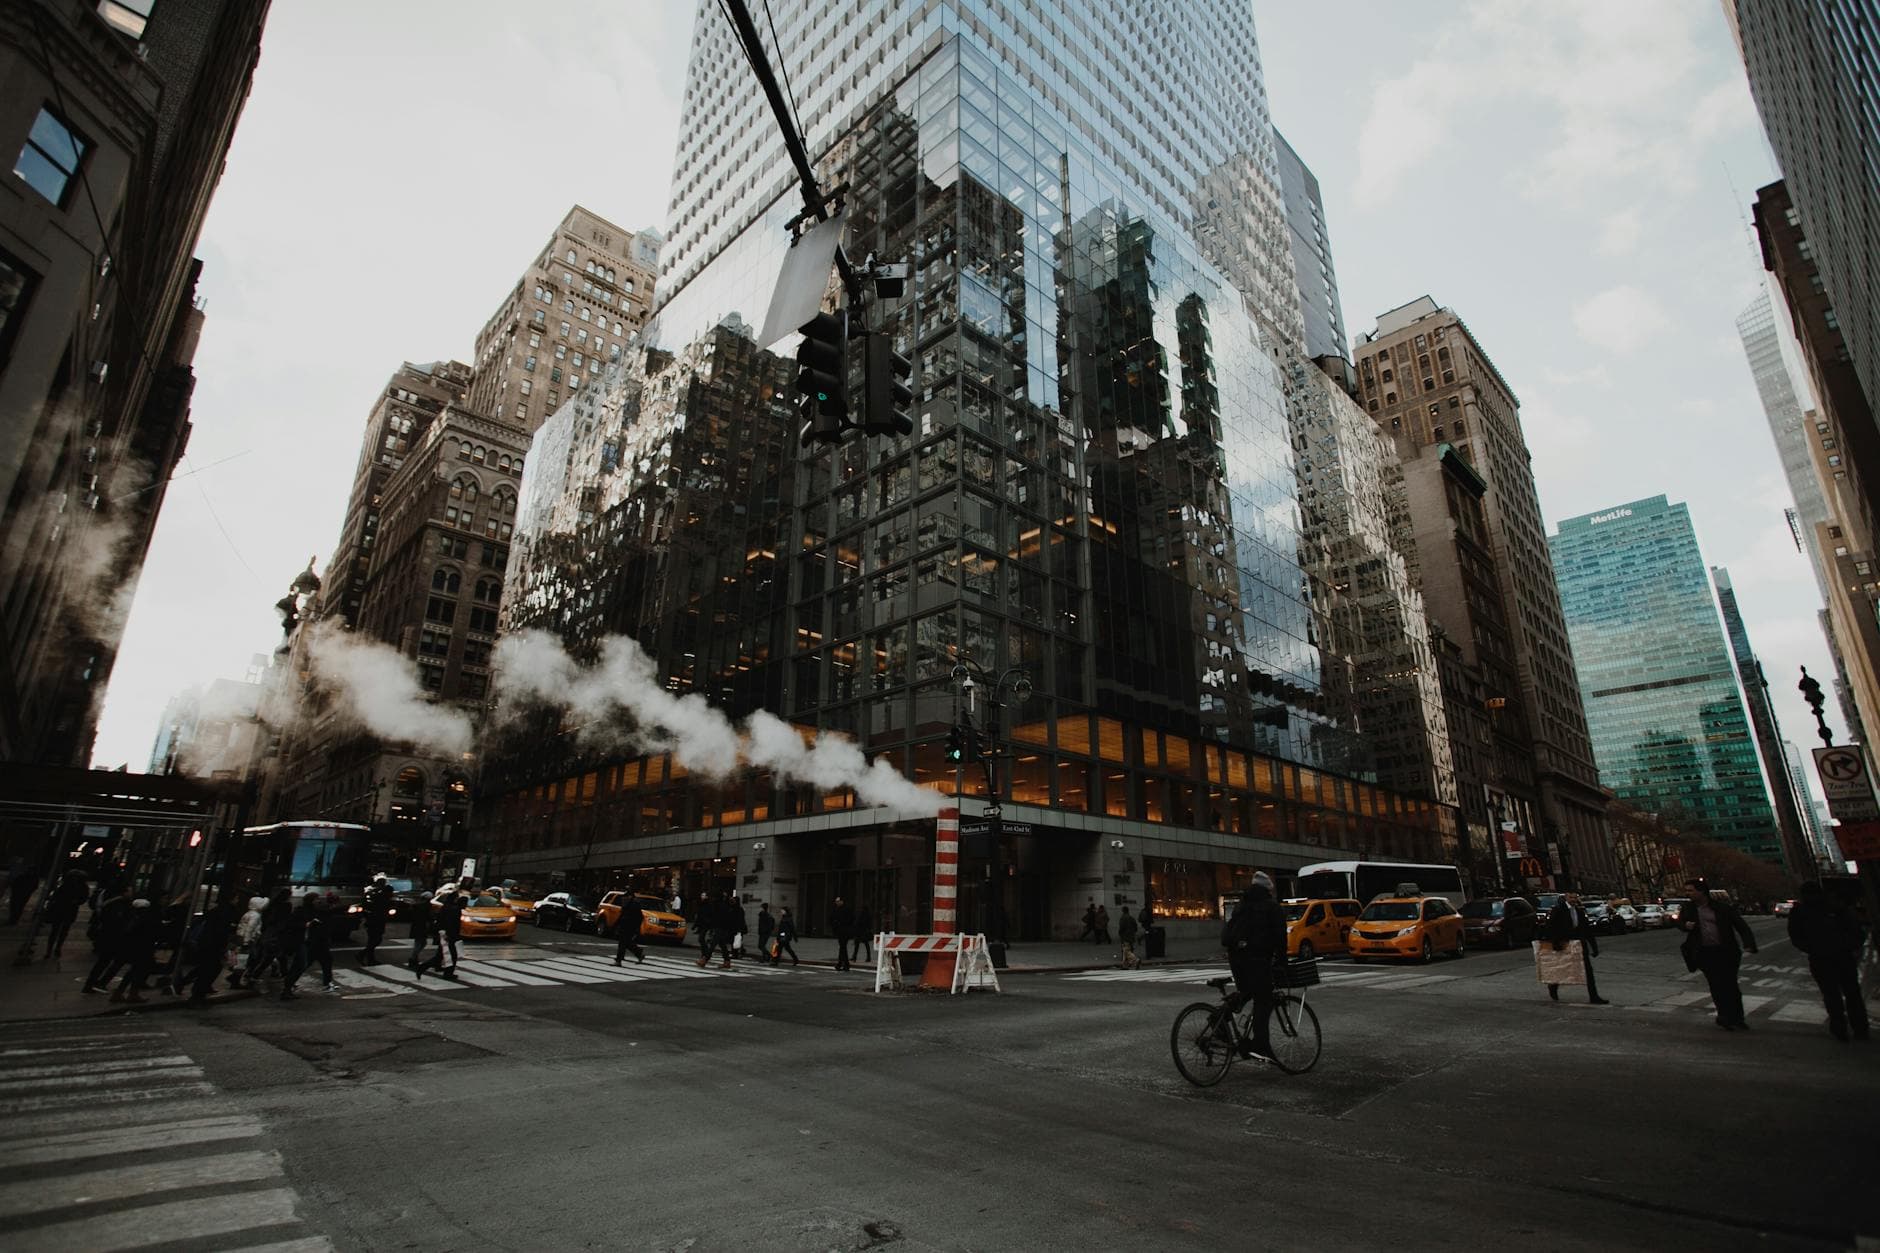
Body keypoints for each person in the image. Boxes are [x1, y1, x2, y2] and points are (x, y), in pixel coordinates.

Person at [1787, 880, 1869, 1041]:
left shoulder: (1833, 908)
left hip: (1833, 956)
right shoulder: (1805, 911)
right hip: (1828, 957)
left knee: (1838, 994)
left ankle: (1846, 1027)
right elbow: (1796, 935)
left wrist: (1844, 946)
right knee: (1844, 993)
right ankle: (1850, 1027)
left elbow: (1856, 930)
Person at [1221, 873, 1286, 1061]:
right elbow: (1280, 938)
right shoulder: (1271, 907)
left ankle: (1217, 1023)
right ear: (1268, 890)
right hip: (1256, 959)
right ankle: (1259, 1045)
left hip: (1236, 959)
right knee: (1264, 1000)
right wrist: (1282, 962)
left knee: (1246, 992)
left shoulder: (1242, 905)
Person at [1679, 878, 1758, 1030]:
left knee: (1730, 985)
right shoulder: (1688, 908)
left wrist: (1749, 944)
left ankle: (1737, 1017)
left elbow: (1740, 925)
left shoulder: (1721, 908)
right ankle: (1724, 1016)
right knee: (1716, 985)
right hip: (1704, 952)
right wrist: (1685, 925)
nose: (1688, 893)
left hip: (1726, 951)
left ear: (1701, 891)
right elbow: (1679, 922)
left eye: (1690, 890)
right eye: (1687, 891)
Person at [1541, 894, 1607, 1004]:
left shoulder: (1579, 911)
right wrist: (1555, 942)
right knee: (1562, 968)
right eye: (1571, 898)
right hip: (1564, 943)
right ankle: (1553, 985)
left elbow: (1587, 930)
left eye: (1575, 898)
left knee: (1588, 971)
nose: (1574, 900)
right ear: (1566, 898)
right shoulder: (1558, 910)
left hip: (1579, 944)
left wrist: (1594, 947)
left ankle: (1594, 997)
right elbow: (1550, 927)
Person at [182, 898, 241, 1006]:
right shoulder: (225, 913)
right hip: (212, 945)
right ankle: (197, 994)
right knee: (209, 969)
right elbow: (221, 932)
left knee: (206, 967)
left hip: (206, 944)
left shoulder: (214, 912)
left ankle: (187, 986)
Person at [82, 887, 135, 993]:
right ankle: (94, 984)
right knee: (106, 961)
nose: (132, 893)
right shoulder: (119, 904)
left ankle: (94, 983)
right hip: (113, 938)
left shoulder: (114, 902)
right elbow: (116, 921)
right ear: (124, 892)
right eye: (130, 891)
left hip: (109, 937)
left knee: (107, 962)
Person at [108, 900, 159, 1003]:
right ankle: (132, 993)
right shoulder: (145, 919)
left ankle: (119, 992)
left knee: (132, 972)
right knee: (138, 971)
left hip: (131, 949)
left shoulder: (131, 917)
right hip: (143, 949)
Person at [419, 886, 464, 980]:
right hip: (449, 934)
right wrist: (450, 934)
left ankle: (424, 967)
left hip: (444, 933)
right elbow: (451, 923)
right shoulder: (453, 909)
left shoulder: (447, 906)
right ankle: (447, 973)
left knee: (442, 954)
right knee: (451, 955)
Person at [276, 893, 315, 1000]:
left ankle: (287, 987)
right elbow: (290, 924)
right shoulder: (300, 911)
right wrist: (305, 925)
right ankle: (287, 987)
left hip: (304, 941)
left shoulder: (311, 911)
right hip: (297, 941)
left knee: (300, 964)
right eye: (316, 900)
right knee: (300, 964)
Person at [43, 871, 89, 958]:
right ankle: (55, 948)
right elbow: (84, 898)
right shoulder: (80, 886)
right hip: (68, 909)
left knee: (57, 930)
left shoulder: (66, 885)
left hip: (63, 909)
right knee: (61, 930)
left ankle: (52, 949)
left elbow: (56, 896)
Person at [360, 873, 394, 965]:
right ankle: (364, 956)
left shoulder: (377, 891)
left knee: (374, 939)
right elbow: (366, 904)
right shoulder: (375, 892)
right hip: (375, 918)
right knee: (375, 939)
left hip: (377, 918)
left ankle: (368, 957)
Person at [614, 894, 646, 965]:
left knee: (623, 943)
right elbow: (621, 916)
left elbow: (639, 918)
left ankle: (618, 960)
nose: (623, 899)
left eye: (625, 897)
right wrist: (616, 925)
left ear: (630, 897)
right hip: (625, 926)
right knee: (627, 943)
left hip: (629, 927)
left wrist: (636, 928)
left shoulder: (634, 905)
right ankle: (639, 953)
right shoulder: (626, 905)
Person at [7, 862, 41, 926]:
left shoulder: (30, 877)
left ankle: (13, 919)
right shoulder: (26, 876)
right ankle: (13, 919)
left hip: (22, 894)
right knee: (16, 906)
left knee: (18, 907)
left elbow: (34, 886)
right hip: (20, 893)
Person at [830, 895, 856, 971]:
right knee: (842, 947)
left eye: (838, 901)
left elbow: (851, 919)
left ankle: (844, 964)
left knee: (843, 947)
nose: (836, 903)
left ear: (842, 901)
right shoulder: (837, 909)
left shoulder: (845, 909)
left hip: (844, 931)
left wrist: (839, 923)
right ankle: (841, 964)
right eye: (836, 902)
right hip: (841, 931)